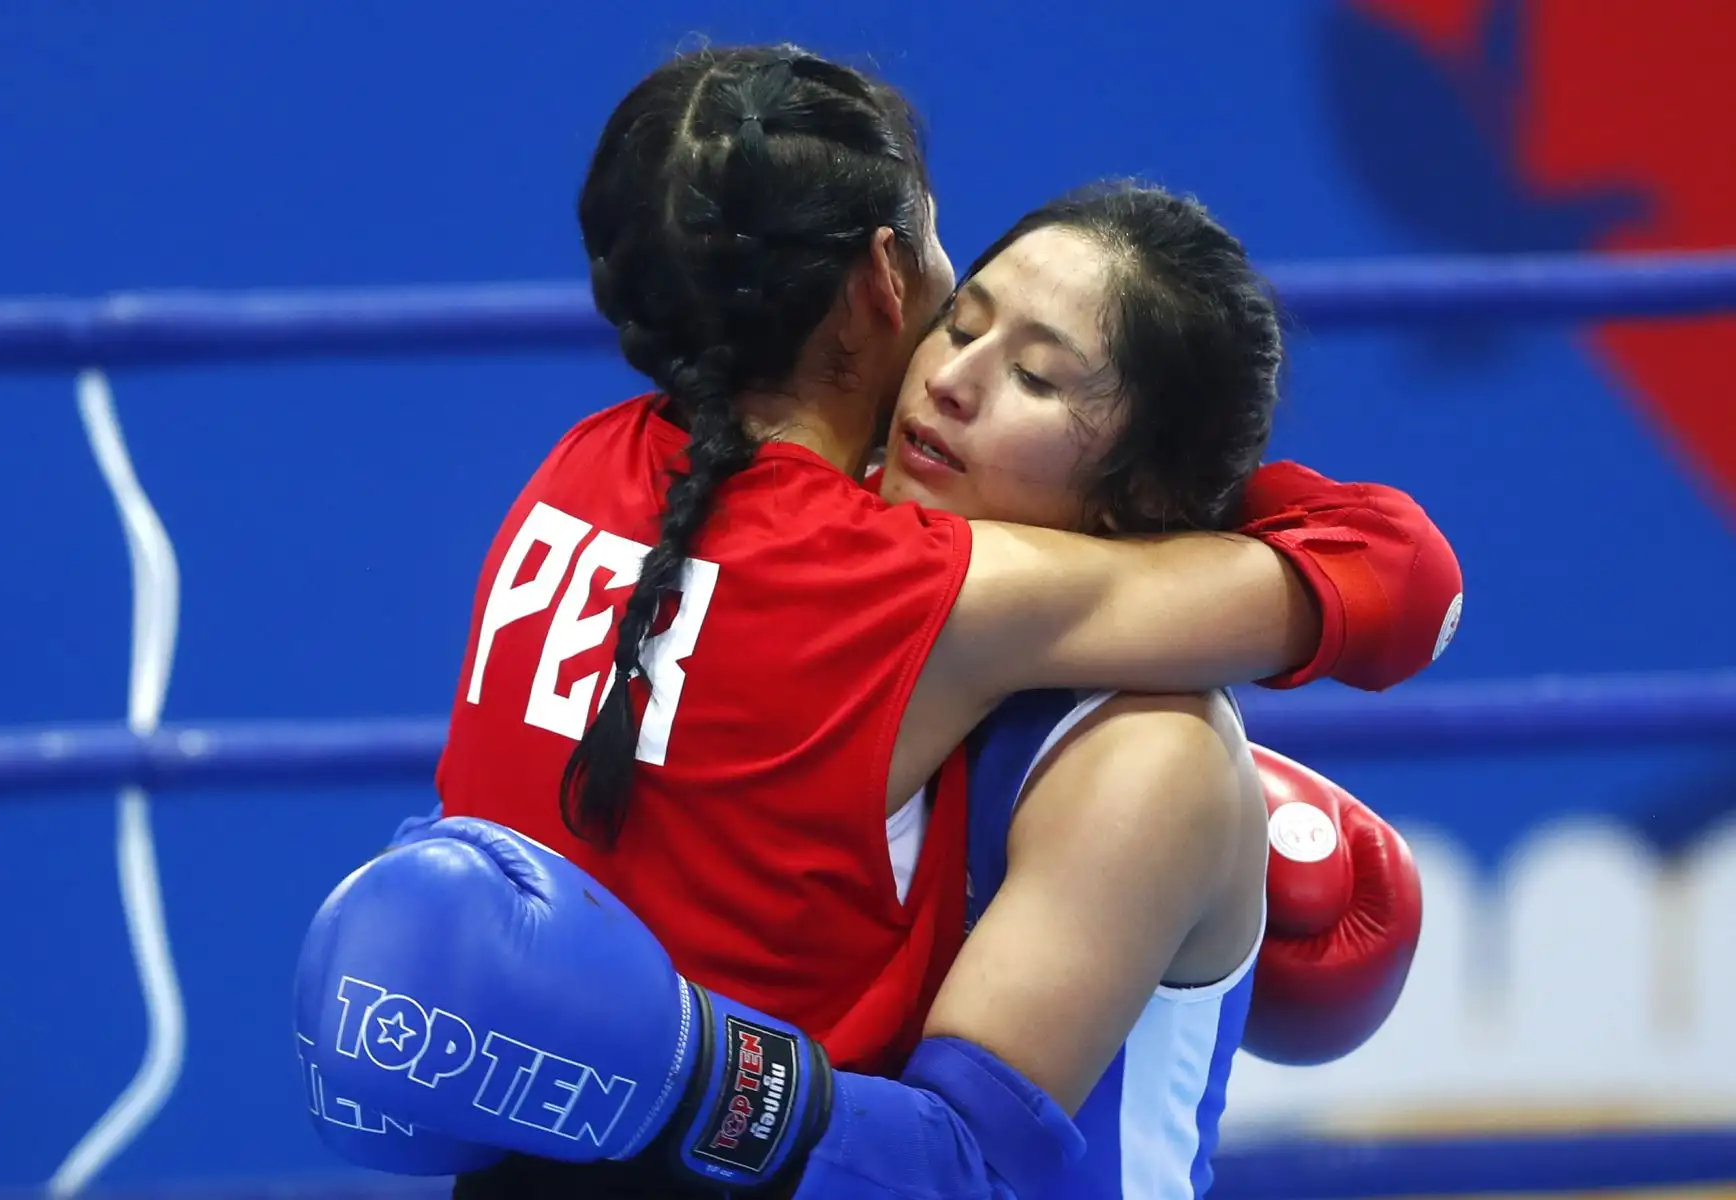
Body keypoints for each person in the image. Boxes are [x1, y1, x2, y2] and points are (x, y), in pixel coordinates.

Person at [294, 46, 1459, 1196]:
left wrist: (683, 1068)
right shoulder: (927, 590)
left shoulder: (575, 475)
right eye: (965, 321)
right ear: (887, 282)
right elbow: (1397, 577)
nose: (956, 378)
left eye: (1042, 378)